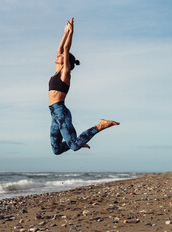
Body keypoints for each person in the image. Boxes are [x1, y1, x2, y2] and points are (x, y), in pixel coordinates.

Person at [48, 18, 120, 155]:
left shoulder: (65, 74)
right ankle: (79, 141)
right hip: (53, 113)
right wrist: (65, 32)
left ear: (66, 63)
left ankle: (100, 126)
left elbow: (65, 48)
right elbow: (60, 49)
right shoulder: (58, 69)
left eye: (62, 56)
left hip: (61, 113)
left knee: (74, 146)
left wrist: (71, 33)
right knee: (56, 150)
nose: (58, 55)